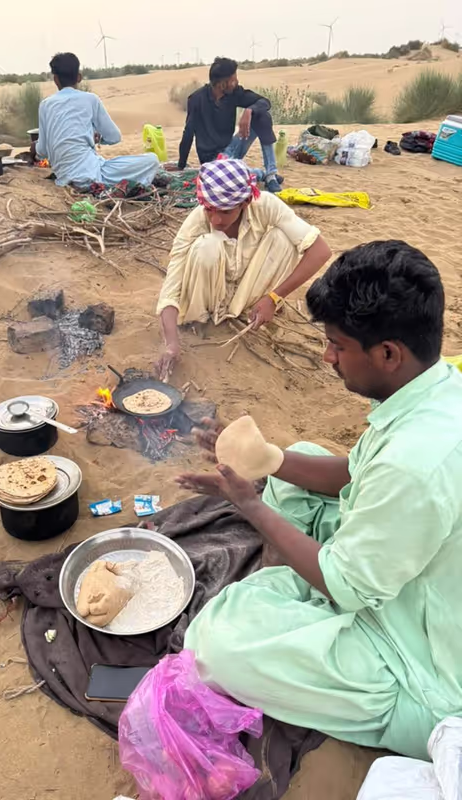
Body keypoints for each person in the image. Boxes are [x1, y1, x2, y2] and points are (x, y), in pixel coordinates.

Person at [178, 240, 462, 760]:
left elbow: (348, 587)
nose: (327, 356)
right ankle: (291, 587)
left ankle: (296, 604)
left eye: (336, 345)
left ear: (389, 354)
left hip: (422, 665)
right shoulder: (438, 389)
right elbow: (353, 473)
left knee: (215, 645)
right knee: (302, 458)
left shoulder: (414, 464)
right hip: (404, 567)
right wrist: (263, 458)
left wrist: (250, 506)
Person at [155, 157, 331, 380]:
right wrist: (171, 345)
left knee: (284, 238)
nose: (216, 219)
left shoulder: (266, 205)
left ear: (245, 203)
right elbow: (171, 286)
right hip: (207, 301)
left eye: (225, 211)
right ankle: (202, 320)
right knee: (207, 246)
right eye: (210, 209)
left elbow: (320, 251)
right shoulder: (197, 220)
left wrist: (274, 298)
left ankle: (255, 307)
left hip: (249, 299)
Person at [32, 53, 159, 188]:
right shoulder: (90, 99)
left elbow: (43, 151)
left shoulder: (45, 105)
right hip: (94, 175)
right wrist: (99, 139)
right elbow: (114, 137)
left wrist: (35, 147)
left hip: (64, 178)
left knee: (102, 163)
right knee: (152, 160)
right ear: (79, 77)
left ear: (55, 79)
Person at [177, 57, 281, 193]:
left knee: (262, 116)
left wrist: (249, 110)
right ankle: (259, 174)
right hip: (213, 161)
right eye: (233, 80)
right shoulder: (196, 99)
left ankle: (271, 174)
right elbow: (188, 133)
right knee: (225, 179)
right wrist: (181, 165)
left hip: (232, 148)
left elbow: (265, 102)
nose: (236, 82)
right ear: (222, 84)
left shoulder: (234, 93)